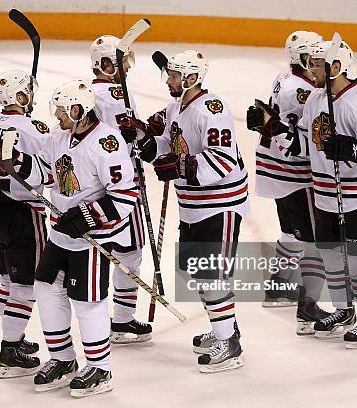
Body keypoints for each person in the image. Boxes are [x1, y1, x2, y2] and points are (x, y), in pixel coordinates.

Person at [250, 39, 357, 349]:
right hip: (325, 192)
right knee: (331, 255)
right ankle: (344, 311)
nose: (310, 68)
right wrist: (272, 128)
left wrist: (351, 148)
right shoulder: (315, 99)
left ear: (336, 67)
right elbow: (301, 145)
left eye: (316, 64)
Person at [8, 80, 137, 396]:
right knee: (45, 288)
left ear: (79, 111)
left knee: (87, 301)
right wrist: (13, 161)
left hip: (93, 239)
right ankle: (63, 359)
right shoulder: (58, 136)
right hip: (62, 234)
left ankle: (100, 368)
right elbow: (44, 173)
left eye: (63, 111)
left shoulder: (107, 143)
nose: (57, 117)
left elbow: (125, 194)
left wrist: (89, 216)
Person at [132, 50, 249, 372]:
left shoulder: (213, 110)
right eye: (168, 74)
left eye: (173, 75)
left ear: (192, 78)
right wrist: (141, 136)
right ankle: (224, 328)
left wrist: (181, 164)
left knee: (213, 273)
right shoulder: (175, 107)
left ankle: (230, 345)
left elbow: (223, 161)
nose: (168, 80)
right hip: (193, 203)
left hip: (219, 203)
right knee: (199, 271)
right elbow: (164, 149)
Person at [249, 31, 331, 334]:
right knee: (315, 240)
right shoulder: (302, 91)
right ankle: (307, 310)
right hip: (294, 170)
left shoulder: (285, 78)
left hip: (277, 168)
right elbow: (299, 137)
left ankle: (280, 286)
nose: (320, 62)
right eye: (316, 57)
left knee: (292, 232)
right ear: (302, 58)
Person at [0, 69, 52, 378]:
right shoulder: (34, 128)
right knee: (26, 286)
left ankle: (16, 338)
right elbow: (49, 172)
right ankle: (9, 349)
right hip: (22, 211)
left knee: (8, 281)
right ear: (20, 97)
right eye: (28, 93)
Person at [88, 34, 157, 343]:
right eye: (123, 60)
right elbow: (126, 137)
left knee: (98, 252)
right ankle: (122, 321)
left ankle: (96, 321)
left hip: (94, 184)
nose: (128, 65)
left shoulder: (88, 92)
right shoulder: (115, 94)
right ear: (107, 64)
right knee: (129, 252)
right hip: (121, 184)